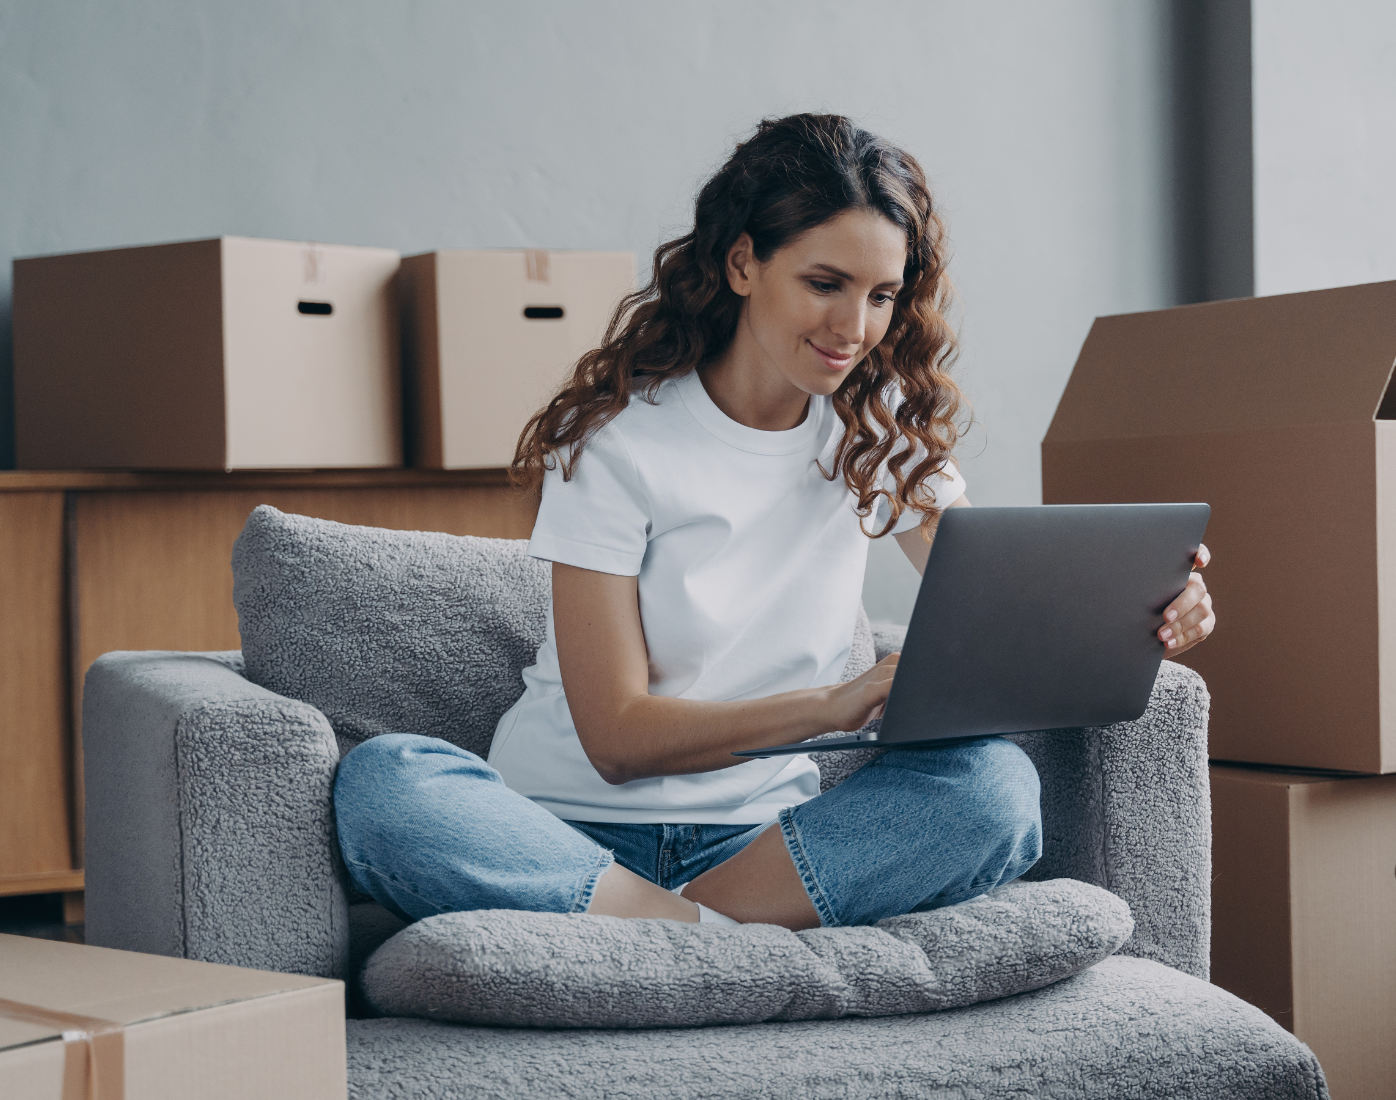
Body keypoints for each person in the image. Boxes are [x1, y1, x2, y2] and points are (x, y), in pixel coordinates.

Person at [332, 113, 1215, 931]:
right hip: (563, 829)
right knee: (386, 779)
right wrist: (828, 706)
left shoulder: (879, 431)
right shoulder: (619, 441)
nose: (855, 328)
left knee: (994, 787)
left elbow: (1008, 611)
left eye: (881, 295)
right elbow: (617, 740)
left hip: (761, 850)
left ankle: (658, 936)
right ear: (742, 263)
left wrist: (1139, 612)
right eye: (825, 284)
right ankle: (705, 939)